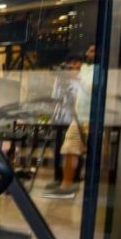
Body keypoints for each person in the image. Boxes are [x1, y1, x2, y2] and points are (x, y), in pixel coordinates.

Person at [42, 45, 96, 199]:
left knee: (76, 149)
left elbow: (91, 88)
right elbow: (57, 96)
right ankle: (64, 182)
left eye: (92, 51)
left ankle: (71, 182)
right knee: (68, 148)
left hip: (86, 116)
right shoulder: (84, 70)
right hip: (74, 116)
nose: (88, 53)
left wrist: (76, 77)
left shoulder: (93, 71)